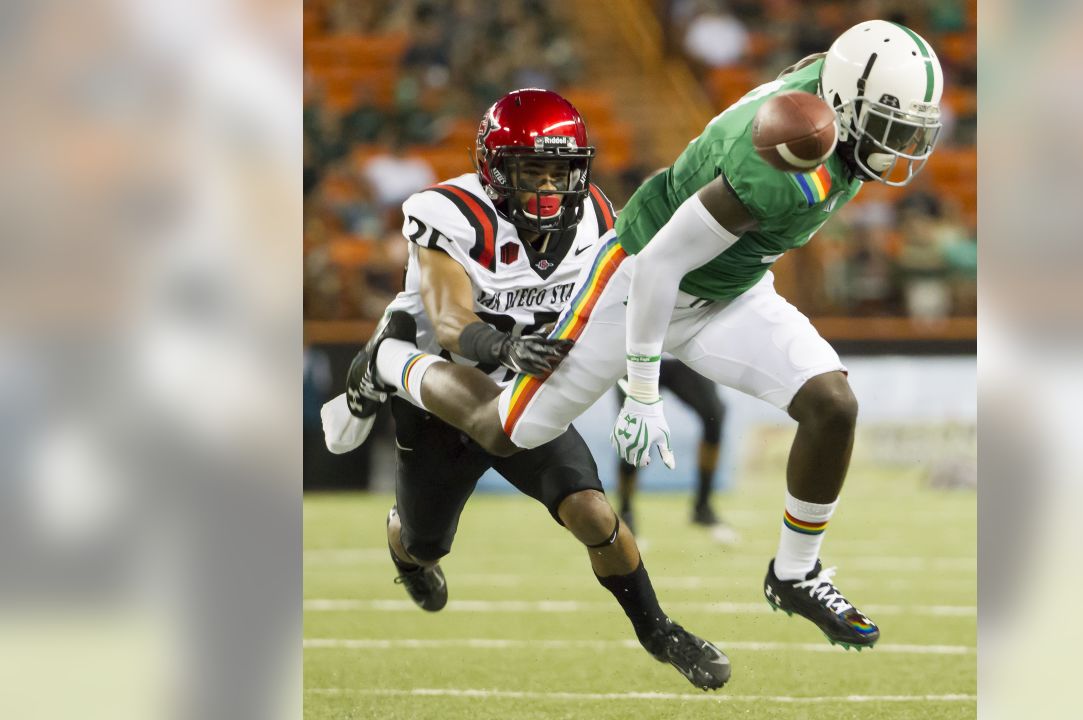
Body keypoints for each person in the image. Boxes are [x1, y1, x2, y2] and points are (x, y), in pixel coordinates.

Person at [349, 20, 944, 651]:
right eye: (892, 124)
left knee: (832, 403)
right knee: (505, 430)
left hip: (732, 290)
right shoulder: (776, 158)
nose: (905, 143)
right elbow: (662, 263)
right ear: (847, 104)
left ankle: (796, 573)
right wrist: (642, 391)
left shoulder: (833, 106)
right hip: (636, 278)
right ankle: (390, 361)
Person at [321, 89, 730, 690]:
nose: (547, 187)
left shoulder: (594, 214)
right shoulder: (453, 213)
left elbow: (618, 298)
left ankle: (659, 630)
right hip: (441, 389)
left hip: (522, 388)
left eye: (560, 171)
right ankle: (386, 366)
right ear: (494, 170)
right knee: (423, 543)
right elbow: (454, 322)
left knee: (592, 511)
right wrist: (505, 347)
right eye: (530, 171)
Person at [613, 359, 729, 536]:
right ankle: (625, 511)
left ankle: (703, 507)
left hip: (681, 353)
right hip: (637, 358)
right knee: (636, 435)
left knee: (714, 415)